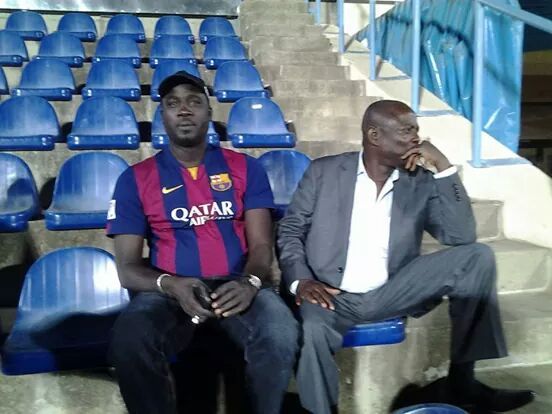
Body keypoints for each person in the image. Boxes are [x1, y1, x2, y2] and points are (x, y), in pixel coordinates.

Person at [277, 100, 535, 414]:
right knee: (314, 331)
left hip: (393, 290)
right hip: (330, 294)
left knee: (477, 257)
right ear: (374, 135)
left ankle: (463, 383)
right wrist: (300, 281)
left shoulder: (420, 182)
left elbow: (460, 236)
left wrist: (442, 166)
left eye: (416, 130)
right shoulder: (325, 172)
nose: (416, 138)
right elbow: (291, 229)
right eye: (406, 131)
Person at [106, 71, 299, 414]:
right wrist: (172, 285)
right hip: (170, 292)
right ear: (162, 115)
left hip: (237, 286)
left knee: (280, 330)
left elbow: (260, 247)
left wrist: (251, 283)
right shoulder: (135, 179)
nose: (184, 110)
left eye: (194, 102)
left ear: (209, 114)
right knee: (130, 337)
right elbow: (128, 269)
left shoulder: (246, 169)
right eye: (173, 103)